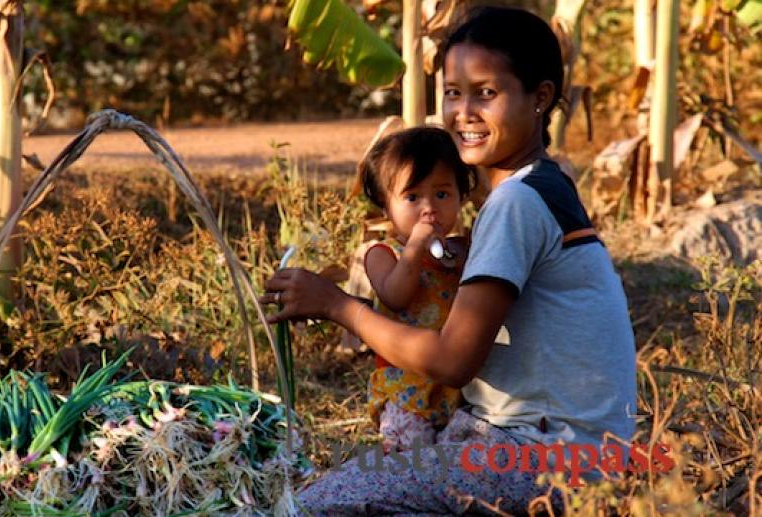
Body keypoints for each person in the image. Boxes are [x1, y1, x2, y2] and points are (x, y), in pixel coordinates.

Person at [261, 6, 637, 515]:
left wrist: (338, 306)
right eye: (453, 92)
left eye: (487, 92)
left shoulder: (516, 202)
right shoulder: (546, 184)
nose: (464, 112)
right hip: (583, 456)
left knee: (306, 506)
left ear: (540, 97)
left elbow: (450, 361)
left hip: (543, 460)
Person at [354, 126, 473, 453]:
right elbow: (395, 295)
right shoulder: (383, 254)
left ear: (462, 196)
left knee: (452, 464)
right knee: (413, 462)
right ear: (385, 206)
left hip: (455, 391)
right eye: (412, 197)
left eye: (442, 194)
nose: (429, 207)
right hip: (404, 391)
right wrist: (415, 250)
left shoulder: (465, 250)